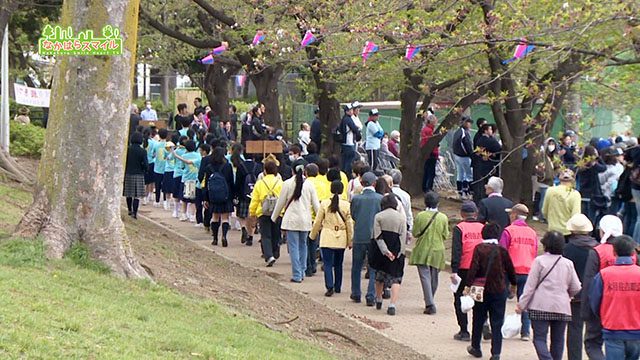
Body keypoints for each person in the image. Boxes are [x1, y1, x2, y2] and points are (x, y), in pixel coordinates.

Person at [516, 231, 582, 360]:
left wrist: (522, 304)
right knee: (558, 340)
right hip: (562, 306)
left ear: (545, 244)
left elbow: (530, 287)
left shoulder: (539, 261)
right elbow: (576, 287)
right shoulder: (568, 263)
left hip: (540, 305)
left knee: (539, 339)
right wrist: (567, 295)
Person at [582, 215, 637, 360]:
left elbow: (589, 285)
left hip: (607, 313)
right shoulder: (633, 255)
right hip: (633, 318)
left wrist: (588, 312)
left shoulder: (597, 252)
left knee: (592, 343)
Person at [464, 223, 517, 360]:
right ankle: (496, 352)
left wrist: (468, 285)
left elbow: (473, 268)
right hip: (499, 289)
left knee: (478, 318)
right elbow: (510, 269)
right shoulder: (502, 250)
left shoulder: (479, 249)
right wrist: (513, 284)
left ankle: (476, 347)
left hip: (480, 289)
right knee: (497, 321)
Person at [271, 159, 320, 283]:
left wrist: (274, 217)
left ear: (292, 170)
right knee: (303, 245)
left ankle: (297, 274)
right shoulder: (309, 185)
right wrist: (320, 220)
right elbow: (316, 205)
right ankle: (302, 271)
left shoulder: (287, 183)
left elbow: (281, 202)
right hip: (305, 220)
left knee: (293, 247)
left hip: (291, 220)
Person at [563, 213, 599, 360]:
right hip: (595, 294)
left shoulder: (567, 248)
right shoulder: (597, 248)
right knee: (595, 330)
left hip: (575, 296)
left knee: (575, 329)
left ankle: (575, 357)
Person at [500, 203, 538, 341]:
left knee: (501, 299)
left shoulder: (508, 231)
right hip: (527, 270)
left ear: (515, 215)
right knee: (524, 301)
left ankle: (500, 327)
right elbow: (534, 252)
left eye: (511, 214)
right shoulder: (532, 233)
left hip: (510, 270)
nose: (510, 216)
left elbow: (502, 252)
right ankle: (525, 331)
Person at [310, 180, 353, 296]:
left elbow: (318, 221)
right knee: (339, 263)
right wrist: (350, 240)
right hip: (341, 236)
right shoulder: (346, 205)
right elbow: (350, 224)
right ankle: (338, 286)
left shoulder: (324, 203)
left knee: (328, 263)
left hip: (327, 236)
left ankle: (329, 286)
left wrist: (312, 235)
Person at [410, 191, 450, 314]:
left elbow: (415, 233)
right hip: (438, 250)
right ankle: (430, 299)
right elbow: (446, 235)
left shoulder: (421, 216)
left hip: (423, 249)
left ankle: (430, 303)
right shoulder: (443, 217)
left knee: (425, 277)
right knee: (434, 277)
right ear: (438, 203)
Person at [450, 201, 484, 341]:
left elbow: (457, 250)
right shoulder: (483, 227)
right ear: (475, 214)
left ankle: (464, 331)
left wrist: (454, 270)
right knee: (477, 298)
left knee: (460, 298)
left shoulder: (459, 228)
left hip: (464, 269)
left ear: (462, 214)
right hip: (479, 269)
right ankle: (481, 326)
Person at [369, 194, 407, 315]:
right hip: (396, 252)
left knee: (379, 277)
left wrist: (385, 251)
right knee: (396, 279)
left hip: (380, 253)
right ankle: (392, 305)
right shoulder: (401, 218)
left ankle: (379, 299)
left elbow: (377, 236)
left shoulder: (378, 216)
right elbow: (403, 237)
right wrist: (397, 253)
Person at [350, 172, 383, 305]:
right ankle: (371, 295)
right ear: (374, 183)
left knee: (356, 266)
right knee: (374, 267)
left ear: (362, 183)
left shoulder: (356, 199)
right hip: (374, 236)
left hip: (359, 235)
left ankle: (356, 293)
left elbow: (353, 215)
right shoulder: (380, 199)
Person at [249, 160, 283, 266]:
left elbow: (255, 199)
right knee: (276, 234)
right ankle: (275, 251)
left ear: (264, 171)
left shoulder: (260, 183)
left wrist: (252, 212)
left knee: (265, 235)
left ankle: (269, 255)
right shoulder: (280, 183)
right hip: (278, 212)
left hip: (263, 212)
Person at [203, 147, 235, 246]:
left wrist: (206, 198)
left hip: (213, 196)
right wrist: (233, 196)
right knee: (225, 218)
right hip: (226, 195)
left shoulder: (209, 167)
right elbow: (231, 182)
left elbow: (206, 184)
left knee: (215, 217)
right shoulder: (228, 166)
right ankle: (224, 236)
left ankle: (215, 238)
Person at [232, 145, 262, 246]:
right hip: (255, 193)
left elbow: (238, 182)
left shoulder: (241, 166)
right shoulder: (258, 166)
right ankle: (251, 236)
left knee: (241, 215)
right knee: (253, 215)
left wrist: (236, 194)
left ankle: (244, 227)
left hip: (243, 193)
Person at [305, 163, 330, 277]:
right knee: (314, 242)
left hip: (306, 216)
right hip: (318, 217)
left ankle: (308, 266)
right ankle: (313, 264)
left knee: (305, 243)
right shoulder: (323, 184)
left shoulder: (304, 184)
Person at [542, 169, 582, 238]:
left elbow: (544, 211)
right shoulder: (575, 194)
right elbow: (576, 215)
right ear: (573, 180)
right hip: (568, 231)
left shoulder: (550, 190)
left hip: (552, 230)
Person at [171, 140, 201, 222]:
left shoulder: (184, 156)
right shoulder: (198, 155)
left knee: (184, 199)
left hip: (186, 179)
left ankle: (183, 214)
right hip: (195, 179)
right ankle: (192, 215)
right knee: (193, 200)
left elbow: (182, 166)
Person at [577, 145, 607, 226]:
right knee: (590, 216)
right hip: (592, 193)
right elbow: (604, 168)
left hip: (583, 192)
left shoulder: (581, 164)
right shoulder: (592, 165)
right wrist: (599, 158)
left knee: (584, 214)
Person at [473, 123, 502, 203]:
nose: (491, 131)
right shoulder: (490, 140)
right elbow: (499, 149)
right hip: (490, 165)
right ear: (486, 131)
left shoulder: (479, 140)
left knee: (482, 184)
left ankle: (480, 199)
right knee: (490, 183)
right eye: (490, 129)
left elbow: (477, 152)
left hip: (482, 165)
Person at [533, 137, 560, 221]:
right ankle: (542, 215)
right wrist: (543, 173)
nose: (551, 146)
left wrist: (554, 174)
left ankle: (546, 215)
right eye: (549, 144)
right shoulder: (542, 155)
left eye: (553, 144)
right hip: (544, 180)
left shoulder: (555, 156)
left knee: (550, 199)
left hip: (552, 181)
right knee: (543, 198)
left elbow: (557, 167)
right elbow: (538, 167)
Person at [123, 132, 148, 219]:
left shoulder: (127, 150)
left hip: (128, 173)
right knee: (137, 195)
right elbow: (146, 164)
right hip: (139, 173)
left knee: (128, 193)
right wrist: (145, 169)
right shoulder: (143, 151)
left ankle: (129, 209)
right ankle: (135, 212)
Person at [452, 116, 474, 199]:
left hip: (457, 155)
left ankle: (461, 192)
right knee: (469, 175)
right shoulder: (463, 133)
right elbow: (467, 146)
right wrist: (471, 155)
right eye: (468, 122)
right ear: (464, 123)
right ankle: (469, 192)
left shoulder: (457, 131)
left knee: (461, 174)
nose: (469, 124)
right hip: (464, 156)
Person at [389, 169, 414, 241]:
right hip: (401, 227)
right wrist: (409, 230)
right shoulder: (406, 196)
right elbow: (408, 214)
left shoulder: (385, 193)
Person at [420, 112, 439, 193]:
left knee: (427, 171)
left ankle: (425, 187)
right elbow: (429, 142)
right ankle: (428, 188)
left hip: (428, 153)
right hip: (431, 153)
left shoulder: (426, 129)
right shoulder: (429, 130)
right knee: (431, 172)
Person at [339, 104, 361, 177]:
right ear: (346, 111)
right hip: (349, 142)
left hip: (344, 143)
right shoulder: (348, 119)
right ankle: (347, 174)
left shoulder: (343, 119)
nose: (352, 111)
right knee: (350, 160)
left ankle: (343, 173)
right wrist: (358, 136)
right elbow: (354, 129)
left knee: (344, 159)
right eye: (350, 110)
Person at [152, 129, 169, 208]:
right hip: (166, 168)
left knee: (157, 185)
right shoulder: (169, 145)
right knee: (165, 185)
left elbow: (153, 154)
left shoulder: (156, 145)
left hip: (157, 168)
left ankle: (157, 200)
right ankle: (165, 201)